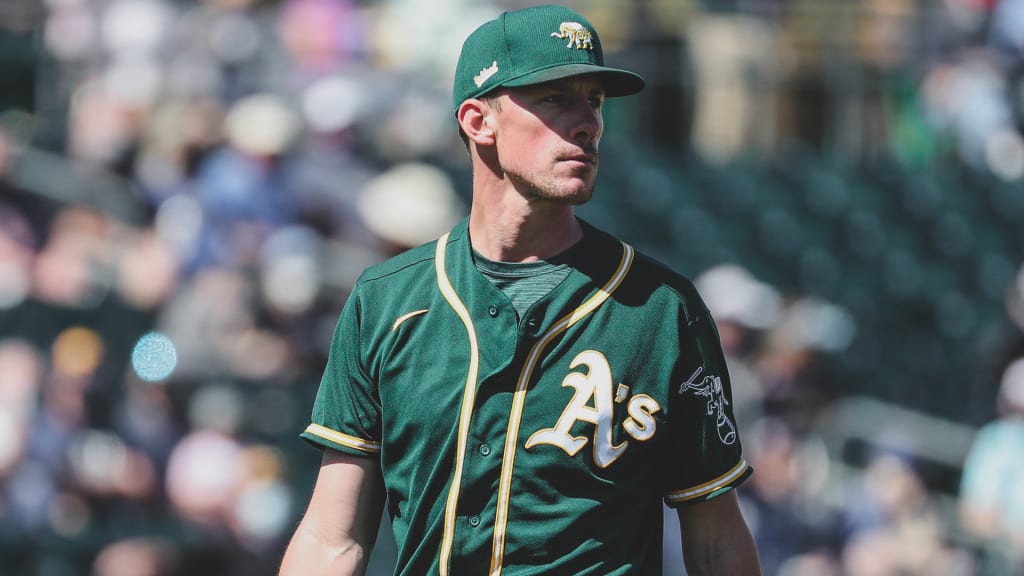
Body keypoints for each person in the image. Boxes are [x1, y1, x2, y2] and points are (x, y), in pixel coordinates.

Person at [279, 5, 761, 575]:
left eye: (595, 101)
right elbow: (334, 538)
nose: (588, 122)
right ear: (479, 121)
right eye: (555, 98)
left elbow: (716, 543)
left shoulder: (659, 309)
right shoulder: (387, 300)